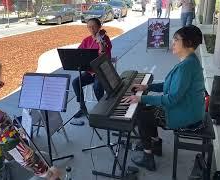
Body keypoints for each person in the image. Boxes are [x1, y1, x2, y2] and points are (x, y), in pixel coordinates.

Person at [122, 25, 205, 171]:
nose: (172, 43)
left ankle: (148, 157)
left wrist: (140, 98)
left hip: (186, 115)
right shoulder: (189, 61)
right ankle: (155, 143)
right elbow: (170, 86)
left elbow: (171, 100)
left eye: (176, 40)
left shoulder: (186, 66)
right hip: (188, 108)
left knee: (141, 114)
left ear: (189, 43)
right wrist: (147, 87)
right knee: (146, 110)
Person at [71, 18, 112, 125]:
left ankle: (102, 110)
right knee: (76, 82)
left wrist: (100, 43)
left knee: (97, 86)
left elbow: (104, 55)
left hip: (101, 71)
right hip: (90, 71)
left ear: (99, 27)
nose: (91, 28)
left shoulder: (105, 39)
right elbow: (78, 53)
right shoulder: (87, 40)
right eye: (89, 26)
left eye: (93, 26)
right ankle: (82, 108)